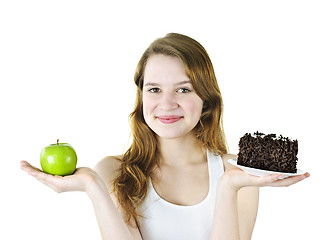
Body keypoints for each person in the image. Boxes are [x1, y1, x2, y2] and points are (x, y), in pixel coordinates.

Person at [20, 33, 310, 240]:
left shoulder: (241, 175)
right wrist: (92, 186)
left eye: (183, 89)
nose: (167, 104)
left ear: (206, 99)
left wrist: (228, 187)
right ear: (142, 96)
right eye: (155, 89)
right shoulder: (114, 172)